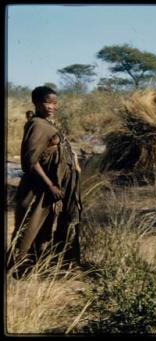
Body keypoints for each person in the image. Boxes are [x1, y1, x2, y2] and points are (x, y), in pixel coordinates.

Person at [7, 86, 82, 277]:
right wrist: (51, 185)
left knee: (46, 228)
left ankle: (39, 266)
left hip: (51, 188)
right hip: (40, 187)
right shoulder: (38, 125)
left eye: (55, 103)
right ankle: (17, 268)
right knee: (30, 226)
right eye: (47, 102)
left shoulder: (48, 123)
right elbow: (30, 161)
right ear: (37, 102)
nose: (52, 106)